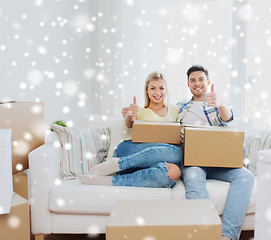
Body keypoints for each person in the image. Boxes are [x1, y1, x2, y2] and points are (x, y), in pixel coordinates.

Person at [177, 65, 254, 240]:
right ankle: (205, 234)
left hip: (218, 162)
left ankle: (227, 236)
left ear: (208, 82)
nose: (197, 83)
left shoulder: (217, 104)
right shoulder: (180, 106)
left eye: (201, 79)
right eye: (193, 80)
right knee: (194, 178)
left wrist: (220, 104)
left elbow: (228, 117)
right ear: (188, 85)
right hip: (193, 162)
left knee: (246, 176)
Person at [79, 71, 182, 188]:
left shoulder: (174, 109)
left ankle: (111, 181)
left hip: (152, 162)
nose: (158, 92)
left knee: (174, 171)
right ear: (146, 91)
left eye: (161, 88)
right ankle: (117, 164)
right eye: (153, 88)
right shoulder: (138, 110)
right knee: (176, 153)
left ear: (166, 90)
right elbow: (129, 123)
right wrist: (129, 114)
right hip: (129, 152)